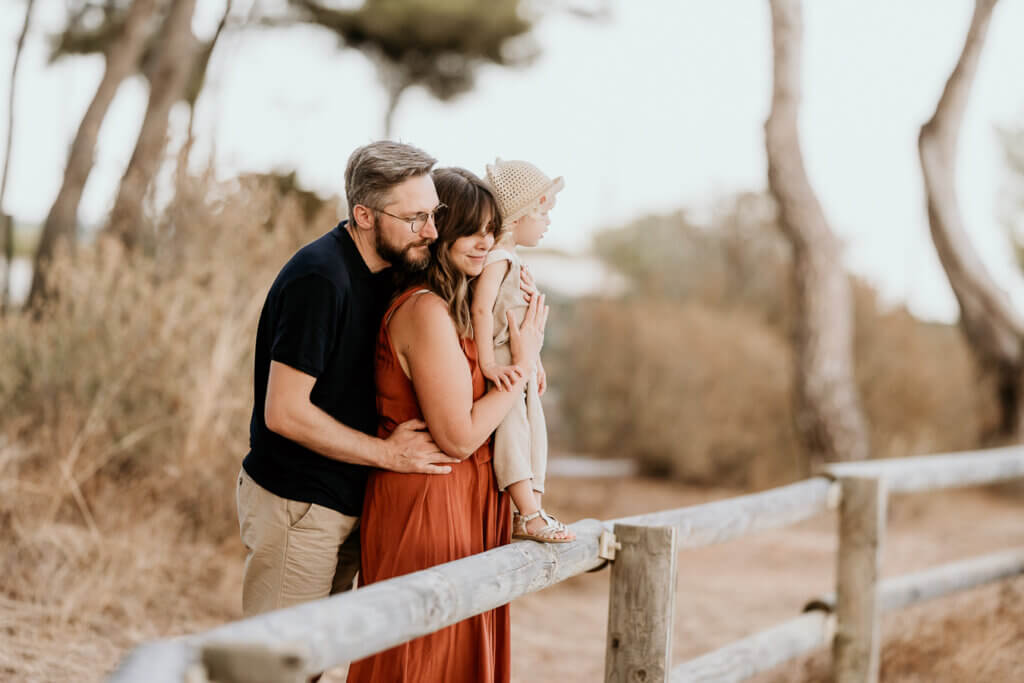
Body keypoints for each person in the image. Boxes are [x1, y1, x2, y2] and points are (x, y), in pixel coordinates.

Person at [236, 141, 461, 619]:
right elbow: (284, 412)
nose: (432, 230)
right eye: (415, 218)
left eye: (434, 213)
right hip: (299, 505)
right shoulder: (320, 278)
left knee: (313, 661)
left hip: (350, 501)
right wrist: (389, 455)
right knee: (274, 667)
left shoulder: (392, 269)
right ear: (364, 214)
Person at [347, 167, 548, 683]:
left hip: (467, 504)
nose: (486, 241)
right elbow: (457, 437)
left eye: (492, 229)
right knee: (423, 661)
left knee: (459, 659)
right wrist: (523, 366)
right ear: (441, 231)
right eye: (473, 229)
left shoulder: (457, 309)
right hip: (428, 503)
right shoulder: (426, 312)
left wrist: (520, 358)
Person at [471, 158, 574, 543]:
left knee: (534, 431)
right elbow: (482, 309)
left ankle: (531, 510)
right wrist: (486, 362)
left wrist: (537, 363)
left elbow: (522, 316)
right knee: (514, 429)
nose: (547, 223)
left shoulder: (513, 262)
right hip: (503, 361)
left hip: (520, 363)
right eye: (543, 213)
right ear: (517, 217)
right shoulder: (497, 259)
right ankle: (529, 513)